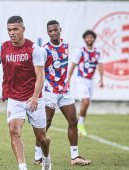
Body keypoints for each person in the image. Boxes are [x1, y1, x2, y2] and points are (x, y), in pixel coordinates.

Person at [0, 16, 51, 170]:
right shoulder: (1, 48)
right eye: (9, 30)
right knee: (14, 131)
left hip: (34, 99)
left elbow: (40, 75)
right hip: (14, 98)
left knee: (41, 138)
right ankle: (22, 166)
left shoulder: (34, 49)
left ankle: (46, 158)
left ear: (23, 29)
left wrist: (34, 96)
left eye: (15, 29)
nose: (11, 33)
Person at [33, 20, 92, 166]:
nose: (53, 33)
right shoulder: (44, 49)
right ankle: (37, 157)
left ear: (60, 29)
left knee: (73, 121)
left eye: (55, 30)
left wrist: (67, 81)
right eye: (50, 31)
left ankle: (75, 157)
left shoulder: (66, 45)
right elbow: (39, 71)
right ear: (48, 33)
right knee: (45, 123)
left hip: (64, 91)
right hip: (50, 91)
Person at [68, 30, 104, 136]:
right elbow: (73, 65)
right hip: (81, 80)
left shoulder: (98, 52)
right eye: (87, 37)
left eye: (91, 37)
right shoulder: (81, 51)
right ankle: (80, 124)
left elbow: (101, 65)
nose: (89, 39)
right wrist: (68, 79)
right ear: (84, 39)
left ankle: (80, 123)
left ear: (94, 39)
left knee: (86, 103)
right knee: (86, 101)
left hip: (90, 81)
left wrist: (101, 78)